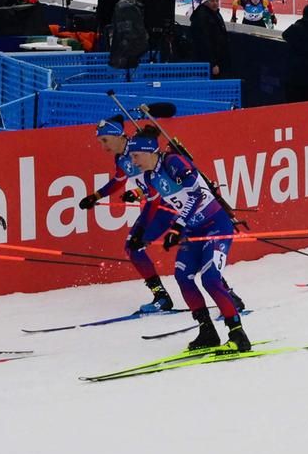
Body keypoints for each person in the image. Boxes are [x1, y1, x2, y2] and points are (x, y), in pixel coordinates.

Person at [88, 119, 250, 352]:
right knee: (183, 277)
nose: (132, 162)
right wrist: (138, 202)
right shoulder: (151, 176)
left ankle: (238, 335)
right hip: (192, 229)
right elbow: (162, 200)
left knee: (210, 279)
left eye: (135, 156)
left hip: (215, 224)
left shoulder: (174, 162)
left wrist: (177, 226)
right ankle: (207, 331)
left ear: (147, 152)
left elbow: (196, 195)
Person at [188, 0, 230, 75]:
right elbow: (204, 42)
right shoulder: (202, 16)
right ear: (205, 2)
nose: (215, 3)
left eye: (216, 0)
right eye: (212, 1)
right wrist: (213, 63)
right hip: (206, 64)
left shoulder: (215, 13)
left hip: (218, 60)